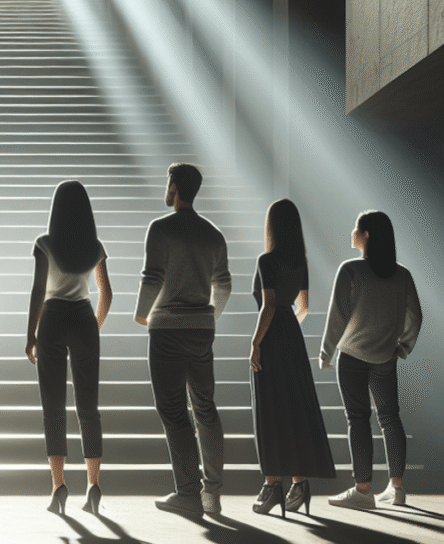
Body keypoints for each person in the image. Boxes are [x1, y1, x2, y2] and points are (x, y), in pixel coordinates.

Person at [133, 162, 231, 517]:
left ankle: (187, 492)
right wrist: (209, 316)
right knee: (205, 408)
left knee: (174, 411)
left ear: (174, 186)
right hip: (201, 330)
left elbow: (152, 276)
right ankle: (213, 493)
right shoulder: (213, 234)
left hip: (168, 328)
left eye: (167, 182)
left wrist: (142, 313)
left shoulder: (160, 229)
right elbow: (225, 284)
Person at [321, 210, 421, 510]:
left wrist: (326, 352)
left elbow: (337, 316)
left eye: (356, 228)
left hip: (351, 356)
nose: (352, 232)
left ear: (366, 236)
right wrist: (401, 347)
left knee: (358, 419)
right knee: (390, 417)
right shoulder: (402, 274)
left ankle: (363, 491)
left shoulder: (350, 270)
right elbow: (415, 317)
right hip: (385, 359)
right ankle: (397, 487)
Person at [24, 181, 112, 515]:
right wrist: (95, 327)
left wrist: (30, 334)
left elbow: (36, 291)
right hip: (84, 319)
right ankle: (94, 485)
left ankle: (58, 487)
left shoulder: (44, 243)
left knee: (54, 407)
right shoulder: (95, 246)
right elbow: (106, 292)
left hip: (53, 318)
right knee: (88, 407)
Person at [248, 199, 334, 517]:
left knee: (271, 411)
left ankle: (273, 486)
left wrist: (257, 342)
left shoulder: (266, 260)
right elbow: (304, 307)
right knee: (294, 409)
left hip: (272, 339)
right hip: (292, 340)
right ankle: (300, 484)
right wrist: (286, 329)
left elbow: (268, 305)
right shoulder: (301, 262)